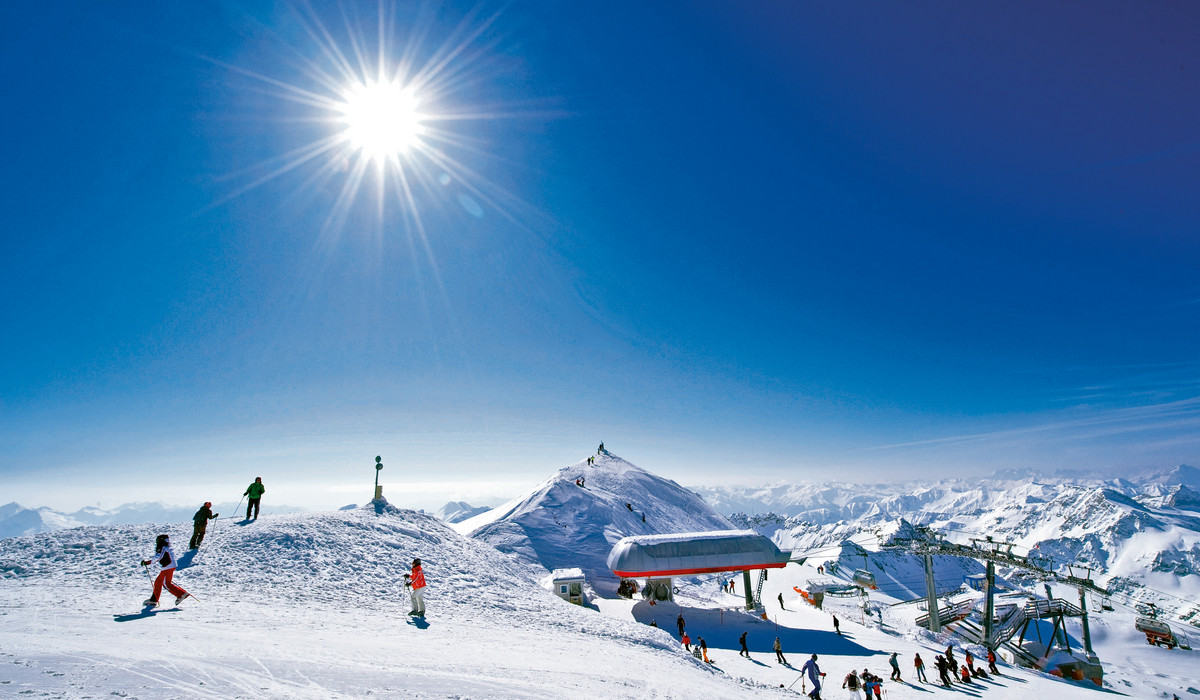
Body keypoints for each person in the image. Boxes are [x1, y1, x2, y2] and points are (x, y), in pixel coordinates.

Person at [140, 534, 189, 607]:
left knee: (166, 584)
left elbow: (158, 557)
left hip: (168, 567)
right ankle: (153, 600)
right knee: (158, 582)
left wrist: (147, 562)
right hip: (169, 566)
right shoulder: (167, 547)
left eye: (158, 540)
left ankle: (181, 594)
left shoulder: (162, 547)